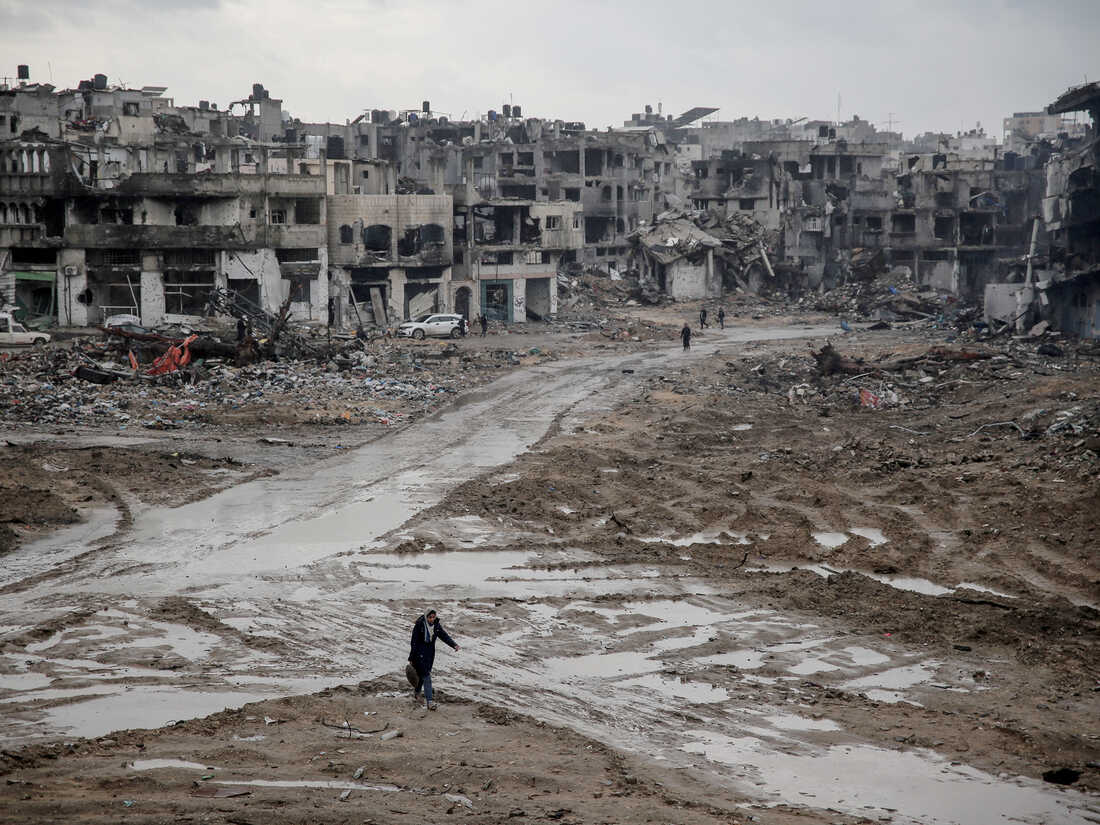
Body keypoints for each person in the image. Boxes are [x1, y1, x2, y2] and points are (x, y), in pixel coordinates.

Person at [408, 608, 459, 710]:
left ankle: (417, 692)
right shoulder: (419, 625)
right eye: (430, 617)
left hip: (430, 654)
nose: (432, 619)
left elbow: (444, 636)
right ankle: (430, 702)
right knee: (427, 676)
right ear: (426, 617)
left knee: (423, 676)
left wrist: (454, 645)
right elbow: (414, 642)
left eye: (433, 617)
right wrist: (411, 657)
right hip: (419, 654)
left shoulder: (436, 625)